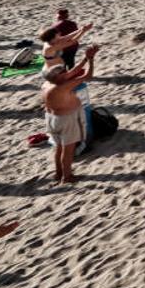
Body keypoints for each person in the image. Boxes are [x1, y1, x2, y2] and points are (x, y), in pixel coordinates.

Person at [41, 46, 99, 184]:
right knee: (68, 151)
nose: (67, 72)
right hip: (66, 120)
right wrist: (91, 61)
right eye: (63, 72)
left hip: (51, 119)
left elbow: (72, 72)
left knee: (58, 148)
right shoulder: (63, 86)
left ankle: (58, 174)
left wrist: (86, 58)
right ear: (59, 77)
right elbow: (88, 76)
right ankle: (67, 177)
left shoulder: (47, 84)